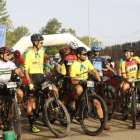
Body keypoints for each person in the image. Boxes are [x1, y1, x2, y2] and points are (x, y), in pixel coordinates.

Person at [69, 47, 110, 130]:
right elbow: (72, 80)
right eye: (84, 54)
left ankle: (103, 123)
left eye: (86, 54)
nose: (86, 55)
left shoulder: (87, 62)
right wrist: (81, 82)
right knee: (79, 90)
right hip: (78, 83)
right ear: (78, 55)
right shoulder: (73, 65)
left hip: (86, 83)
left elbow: (94, 71)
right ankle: (74, 102)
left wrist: (99, 80)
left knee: (97, 103)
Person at [24, 34, 59, 133]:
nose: (42, 45)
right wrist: (29, 83)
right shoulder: (29, 54)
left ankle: (54, 107)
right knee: (31, 101)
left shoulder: (41, 53)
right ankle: (32, 125)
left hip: (41, 77)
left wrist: (48, 68)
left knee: (52, 88)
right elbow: (26, 70)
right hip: (32, 78)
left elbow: (43, 64)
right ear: (36, 43)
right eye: (41, 43)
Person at [0, 47, 27, 137]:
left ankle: (13, 108)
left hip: (9, 84)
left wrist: (23, 77)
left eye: (9, 54)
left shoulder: (10, 63)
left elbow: (18, 71)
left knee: (20, 93)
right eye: (7, 54)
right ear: (1, 55)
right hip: (0, 86)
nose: (9, 56)